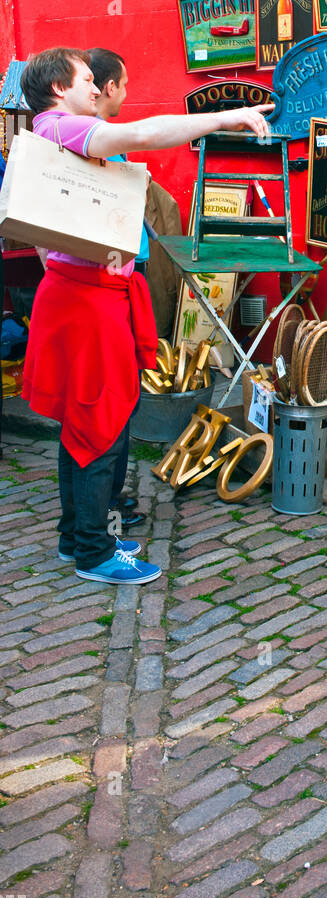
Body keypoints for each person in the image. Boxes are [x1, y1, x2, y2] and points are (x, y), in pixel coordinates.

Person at [20, 46, 272, 587]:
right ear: (60, 89)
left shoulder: (49, 133)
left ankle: (78, 536)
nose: (97, 87)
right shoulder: (63, 127)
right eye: (87, 79)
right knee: (99, 422)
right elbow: (141, 134)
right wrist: (226, 116)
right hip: (88, 301)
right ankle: (93, 550)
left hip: (82, 294)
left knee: (81, 422)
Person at [87, 47, 151, 540]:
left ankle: (109, 496)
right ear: (106, 87)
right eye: (123, 84)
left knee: (122, 394)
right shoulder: (98, 140)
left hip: (125, 273)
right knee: (111, 397)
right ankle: (103, 505)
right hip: (110, 281)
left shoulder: (108, 140)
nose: (125, 93)